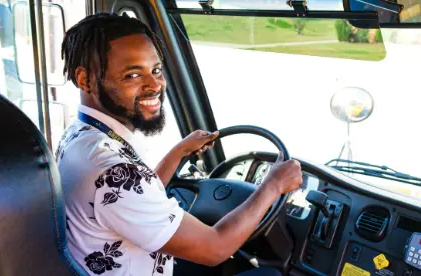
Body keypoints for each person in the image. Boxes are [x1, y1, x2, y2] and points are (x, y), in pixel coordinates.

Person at [57, 13, 303, 276]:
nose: (155, 85)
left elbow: (133, 194)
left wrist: (178, 153)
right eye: (132, 75)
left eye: (156, 70)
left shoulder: (80, 136)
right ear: (85, 80)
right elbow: (214, 248)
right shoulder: (113, 170)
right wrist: (273, 185)